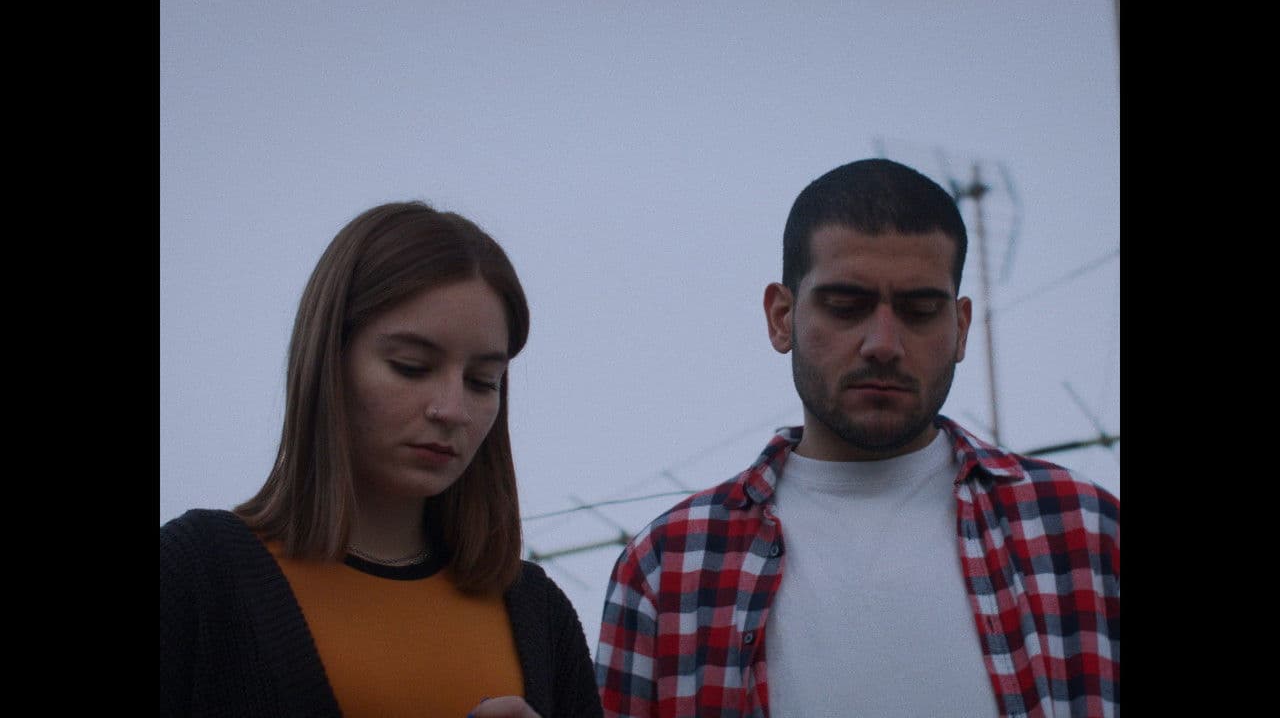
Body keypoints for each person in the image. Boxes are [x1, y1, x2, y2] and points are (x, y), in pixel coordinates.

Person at [595, 159, 1119, 717]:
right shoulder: (670, 567)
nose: (883, 344)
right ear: (781, 317)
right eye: (846, 307)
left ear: (961, 328)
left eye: (920, 311)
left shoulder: (1084, 533)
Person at [160, 201, 603, 718]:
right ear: (329, 360)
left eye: (482, 381)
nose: (452, 410)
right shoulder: (194, 576)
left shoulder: (538, 615)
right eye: (411, 367)